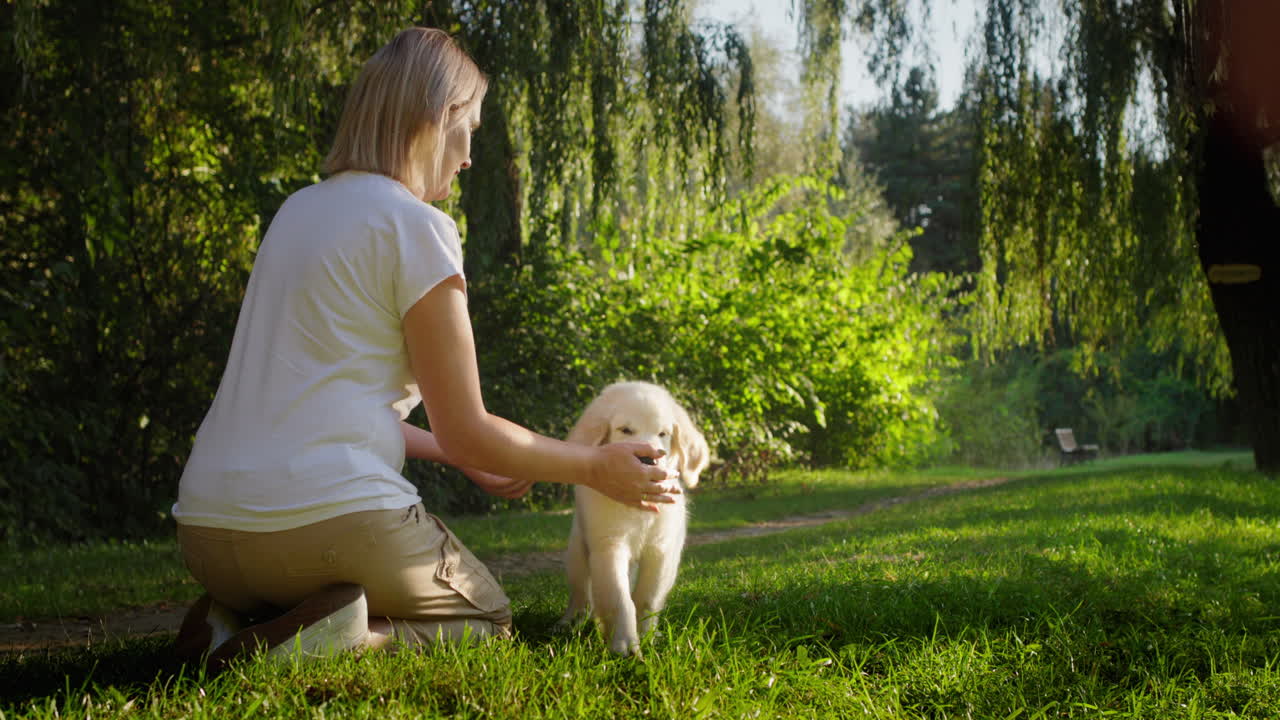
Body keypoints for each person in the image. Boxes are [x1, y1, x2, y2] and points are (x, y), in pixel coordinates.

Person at [171, 27, 681, 670]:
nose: (469, 155)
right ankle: (343, 640)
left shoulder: (295, 213)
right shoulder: (418, 225)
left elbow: (320, 404)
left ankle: (232, 620)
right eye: (468, 126)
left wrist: (454, 453)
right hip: (328, 528)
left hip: (207, 533)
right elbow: (468, 427)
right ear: (433, 120)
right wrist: (592, 466)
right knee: (487, 620)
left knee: (291, 567)